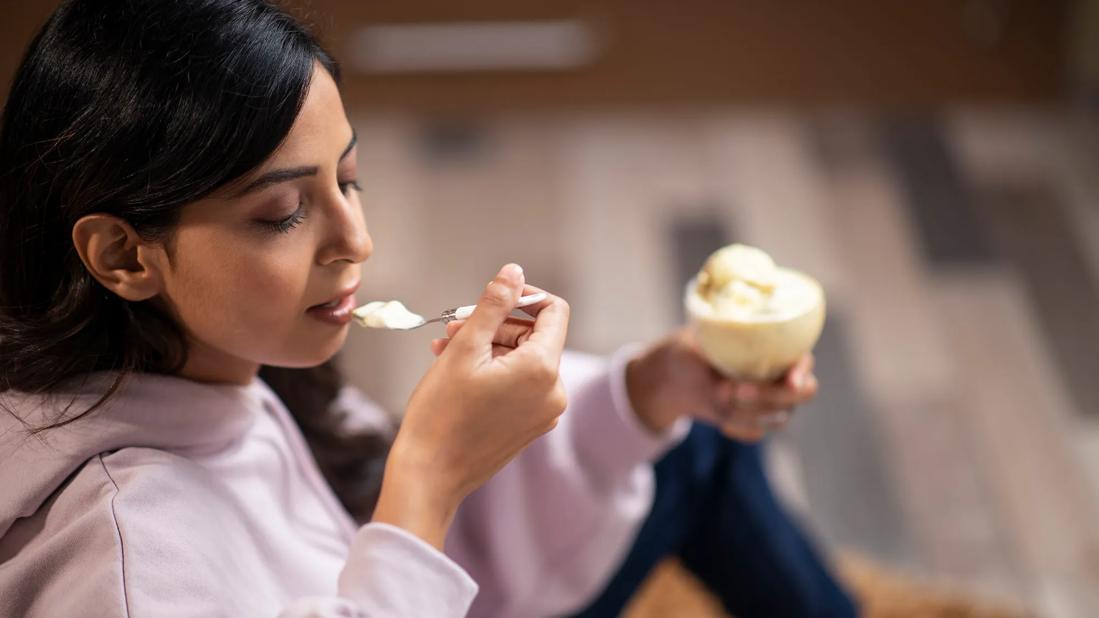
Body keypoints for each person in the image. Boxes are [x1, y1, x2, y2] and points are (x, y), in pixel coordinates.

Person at [0, 1, 856, 616]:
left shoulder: (214, 367)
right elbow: (399, 522)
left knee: (684, 431)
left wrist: (647, 388)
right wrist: (429, 476)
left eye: (348, 178)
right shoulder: (124, 561)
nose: (355, 240)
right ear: (123, 255)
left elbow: (365, 518)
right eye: (281, 213)